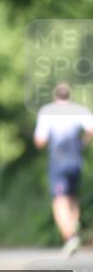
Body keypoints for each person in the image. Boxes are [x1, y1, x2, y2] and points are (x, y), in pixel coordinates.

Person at [34, 82, 93, 257]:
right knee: (72, 197)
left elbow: (40, 141)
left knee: (60, 200)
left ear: (55, 96)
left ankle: (70, 236)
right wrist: (83, 142)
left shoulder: (47, 112)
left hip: (58, 161)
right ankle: (74, 228)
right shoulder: (79, 110)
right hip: (76, 160)